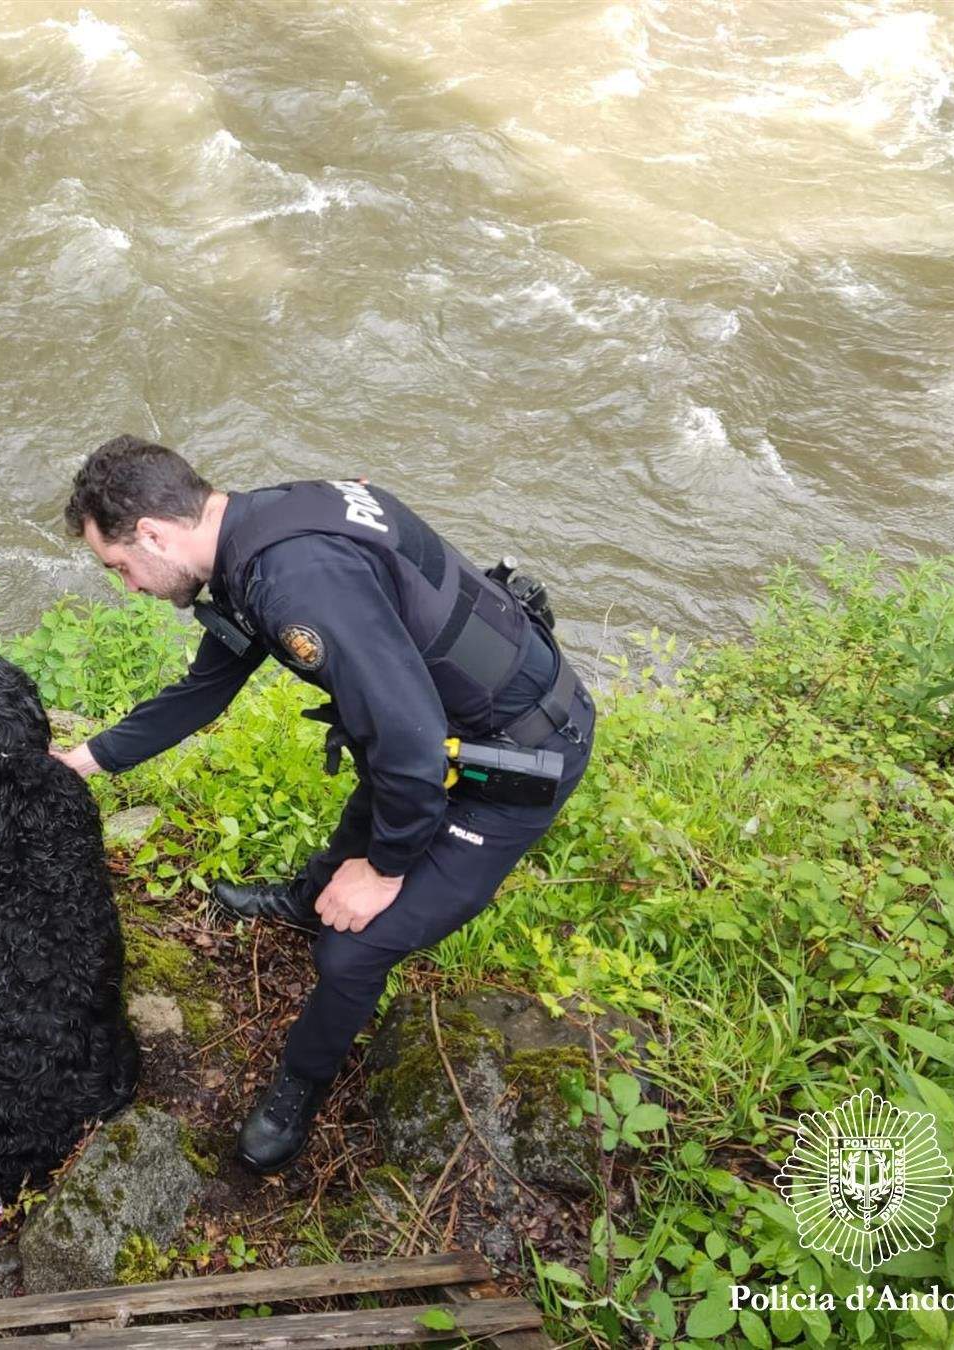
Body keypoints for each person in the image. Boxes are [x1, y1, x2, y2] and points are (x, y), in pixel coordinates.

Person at [52, 435, 596, 1174]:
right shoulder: (258, 528)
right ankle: (306, 898)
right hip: (444, 724)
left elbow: (410, 746)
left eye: (120, 568)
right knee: (363, 822)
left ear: (152, 532)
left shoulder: (295, 583)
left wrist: (385, 868)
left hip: (515, 760)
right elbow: (206, 688)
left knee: (351, 951)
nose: (130, 586)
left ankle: (297, 1088)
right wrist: (84, 762)